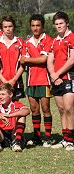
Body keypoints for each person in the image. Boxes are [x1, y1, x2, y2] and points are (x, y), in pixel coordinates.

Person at [20, 14, 53, 147]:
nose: (35, 28)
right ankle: (37, 136)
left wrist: (28, 60)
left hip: (44, 79)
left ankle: (48, 137)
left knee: (45, 108)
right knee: (34, 109)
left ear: (43, 26)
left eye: (38, 25)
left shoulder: (48, 40)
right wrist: (32, 59)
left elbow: (43, 59)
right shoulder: (27, 42)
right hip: (31, 80)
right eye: (33, 25)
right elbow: (23, 59)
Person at [47, 11, 74, 151]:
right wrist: (53, 75)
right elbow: (50, 60)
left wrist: (57, 74)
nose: (59, 26)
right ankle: (65, 139)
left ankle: (71, 140)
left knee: (70, 109)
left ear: (67, 23)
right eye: (56, 24)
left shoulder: (72, 37)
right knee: (62, 110)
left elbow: (72, 60)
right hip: (56, 80)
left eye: (61, 23)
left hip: (69, 78)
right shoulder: (53, 40)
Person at [0, 83, 30, 152]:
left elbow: (27, 111)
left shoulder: (15, 104)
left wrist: (10, 115)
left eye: (3, 94)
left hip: (13, 134)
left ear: (10, 95)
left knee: (22, 116)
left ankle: (17, 142)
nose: (0, 97)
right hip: (1, 135)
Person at [0, 15, 25, 101]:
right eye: (5, 27)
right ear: (2, 28)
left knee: (15, 107)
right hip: (1, 82)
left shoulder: (20, 42)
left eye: (10, 26)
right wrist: (4, 80)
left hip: (16, 82)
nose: (8, 29)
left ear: (13, 27)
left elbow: (23, 64)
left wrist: (14, 79)